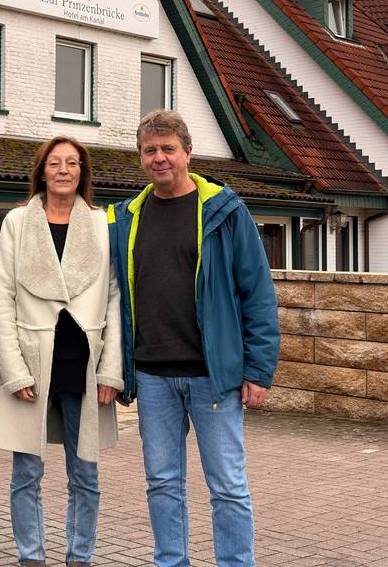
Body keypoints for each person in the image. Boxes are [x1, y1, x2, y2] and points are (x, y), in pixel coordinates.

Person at [106, 109, 280, 567]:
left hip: (213, 377)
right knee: (162, 483)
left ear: (187, 153)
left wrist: (259, 370)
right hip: (153, 376)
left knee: (228, 486)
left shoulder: (225, 211)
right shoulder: (126, 217)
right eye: (150, 150)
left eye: (168, 149)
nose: (159, 158)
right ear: (140, 158)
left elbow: (258, 294)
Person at [0, 135, 123, 567]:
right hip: (32, 362)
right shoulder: (16, 221)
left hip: (84, 366)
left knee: (85, 473)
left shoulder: (101, 223)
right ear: (41, 171)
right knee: (27, 474)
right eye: (54, 163)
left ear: (83, 172)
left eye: (72, 163)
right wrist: (13, 370)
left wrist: (111, 370)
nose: (63, 170)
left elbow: (114, 297)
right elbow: (1, 297)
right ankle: (31, 557)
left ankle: (80, 556)